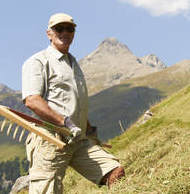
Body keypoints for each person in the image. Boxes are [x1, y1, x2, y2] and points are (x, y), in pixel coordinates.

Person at [21, 13, 125, 193]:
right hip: (50, 140)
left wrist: (89, 131)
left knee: (115, 172)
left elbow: (74, 103)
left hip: (78, 139)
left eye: (70, 29)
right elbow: (32, 100)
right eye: (59, 29)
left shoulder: (74, 64)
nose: (65, 32)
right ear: (49, 33)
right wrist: (64, 122)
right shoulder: (39, 61)